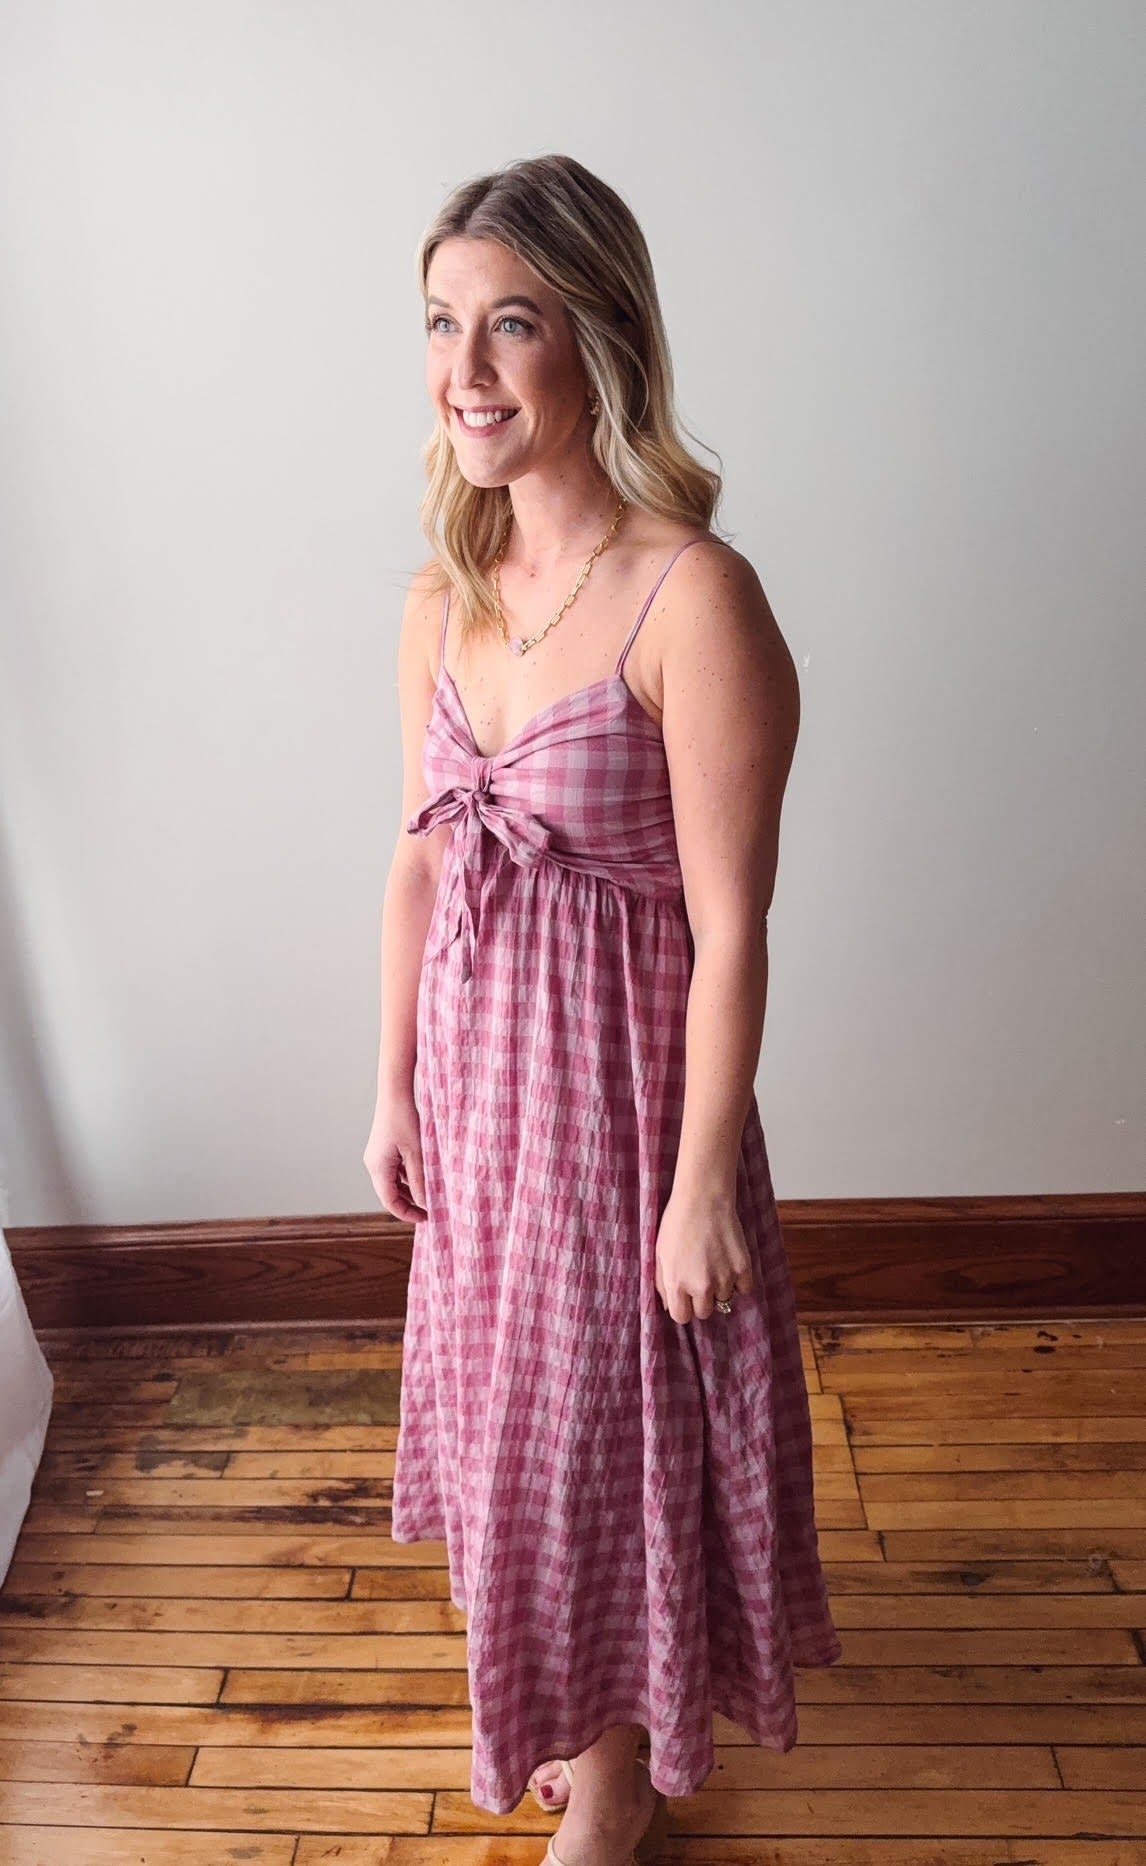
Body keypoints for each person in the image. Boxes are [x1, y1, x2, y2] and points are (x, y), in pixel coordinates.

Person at [364, 153, 842, 1866]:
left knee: (605, 1438)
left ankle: (623, 1776)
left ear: (598, 340)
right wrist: (391, 1084)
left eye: (511, 323)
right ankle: (580, 1710)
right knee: (513, 1433)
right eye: (440, 322)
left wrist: (702, 1179)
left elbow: (733, 924)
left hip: (621, 1109)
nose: (464, 367)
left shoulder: (688, 597)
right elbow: (418, 865)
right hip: (480, 1105)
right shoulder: (442, 591)